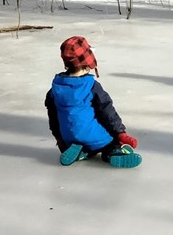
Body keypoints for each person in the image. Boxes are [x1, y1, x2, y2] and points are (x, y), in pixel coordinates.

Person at [45, 36, 142, 168]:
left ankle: (81, 151)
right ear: (87, 61)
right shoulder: (91, 86)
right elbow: (107, 111)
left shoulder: (55, 89)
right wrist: (120, 133)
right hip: (92, 137)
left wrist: (60, 140)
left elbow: (53, 117)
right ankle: (113, 152)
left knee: (80, 132)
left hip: (68, 137)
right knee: (109, 142)